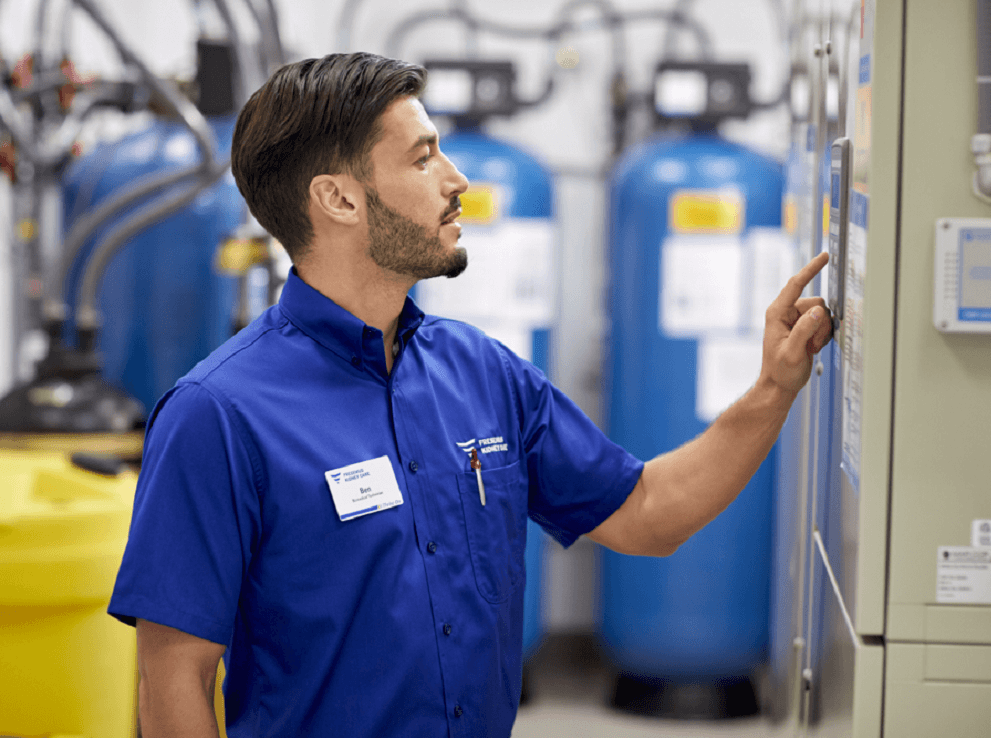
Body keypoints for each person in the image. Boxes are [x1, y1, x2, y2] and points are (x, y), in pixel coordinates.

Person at [108, 52, 832, 738]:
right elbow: (173, 683)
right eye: (422, 158)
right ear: (337, 198)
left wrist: (772, 388)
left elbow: (647, 515)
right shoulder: (218, 415)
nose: (456, 179)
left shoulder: (482, 372)